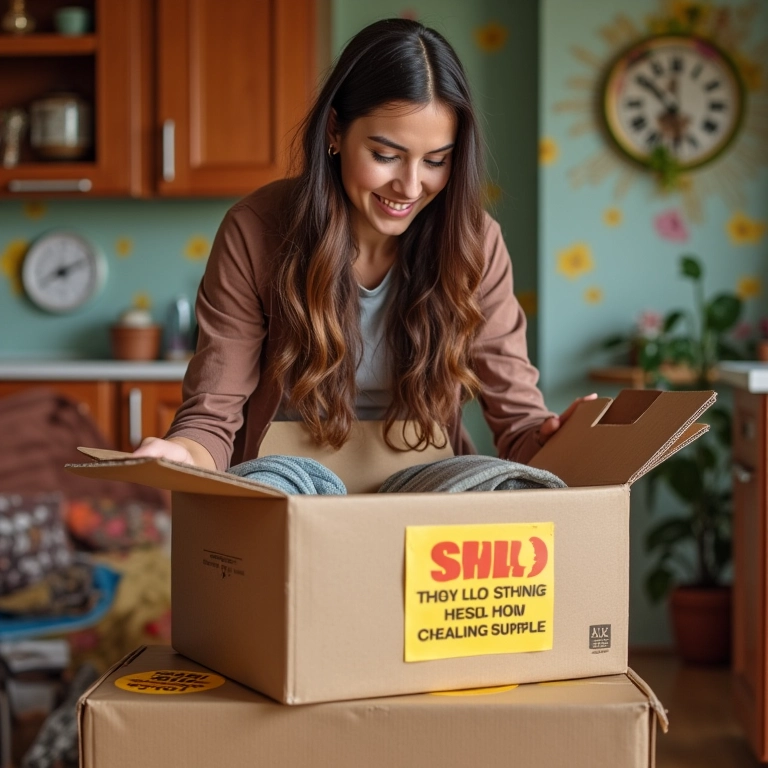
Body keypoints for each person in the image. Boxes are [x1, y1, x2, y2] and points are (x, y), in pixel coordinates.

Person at [133, 18, 595, 472]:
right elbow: (211, 416)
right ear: (335, 130)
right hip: (289, 474)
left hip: (422, 471)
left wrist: (553, 437)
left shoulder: (475, 242)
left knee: (484, 483)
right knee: (293, 487)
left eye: (436, 161)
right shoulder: (253, 230)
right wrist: (183, 453)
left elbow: (519, 425)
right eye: (386, 156)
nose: (410, 186)